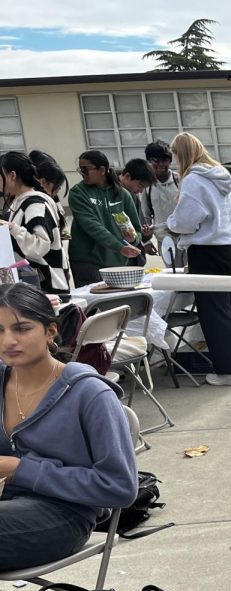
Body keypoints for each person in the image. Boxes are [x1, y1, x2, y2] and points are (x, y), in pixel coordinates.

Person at [0, 283, 137, 569]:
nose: (8, 341)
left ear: (50, 331)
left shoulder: (89, 394)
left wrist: (20, 470)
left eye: (21, 328)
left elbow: (120, 488)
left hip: (63, 514)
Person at [167, 132, 231, 387]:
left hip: (205, 249)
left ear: (181, 154)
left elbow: (186, 220)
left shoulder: (194, 180)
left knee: (213, 312)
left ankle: (229, 371)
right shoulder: (222, 177)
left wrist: (171, 223)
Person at [66, 150, 143, 286]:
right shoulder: (77, 193)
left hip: (118, 262)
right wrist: (119, 246)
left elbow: (137, 229)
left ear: (102, 170)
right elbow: (92, 225)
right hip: (87, 262)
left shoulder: (123, 194)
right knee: (95, 305)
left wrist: (134, 238)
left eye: (86, 170)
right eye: (80, 170)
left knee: (118, 303)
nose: (82, 173)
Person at [0, 151, 71, 295]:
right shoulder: (21, 202)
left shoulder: (35, 204)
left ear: (12, 176)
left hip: (46, 287)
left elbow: (40, 247)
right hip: (36, 287)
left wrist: (12, 228)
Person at [140, 139, 180, 246]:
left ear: (170, 161)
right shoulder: (146, 186)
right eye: (156, 161)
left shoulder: (180, 180)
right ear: (149, 161)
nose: (161, 165)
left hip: (185, 237)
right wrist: (146, 240)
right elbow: (146, 215)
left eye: (165, 160)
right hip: (163, 239)